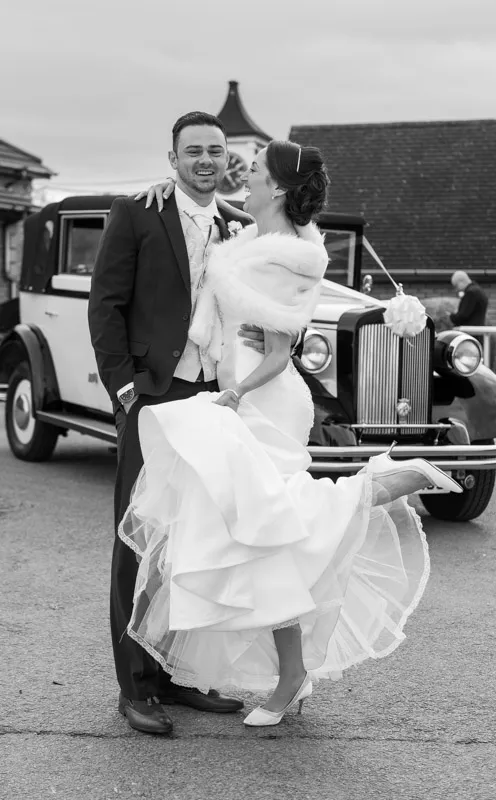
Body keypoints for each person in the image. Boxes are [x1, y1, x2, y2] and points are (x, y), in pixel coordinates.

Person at [116, 139, 462, 728]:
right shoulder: (254, 237)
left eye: (252, 172)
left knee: (272, 528)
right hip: (241, 391)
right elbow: (204, 213)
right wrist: (162, 187)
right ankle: (291, 670)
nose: (239, 176)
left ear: (276, 188)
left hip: (263, 397)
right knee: (258, 539)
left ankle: (370, 489)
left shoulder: (287, 256)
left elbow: (278, 352)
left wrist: (236, 396)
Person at [88, 112, 269, 735]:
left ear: (228, 161)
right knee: (139, 536)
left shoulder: (240, 226)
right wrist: (122, 387)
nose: (204, 161)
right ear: (172, 160)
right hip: (154, 397)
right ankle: (134, 686)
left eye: (215, 152)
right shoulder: (137, 211)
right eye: (192, 151)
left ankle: (175, 674)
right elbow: (106, 304)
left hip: (213, 399)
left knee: (195, 539)